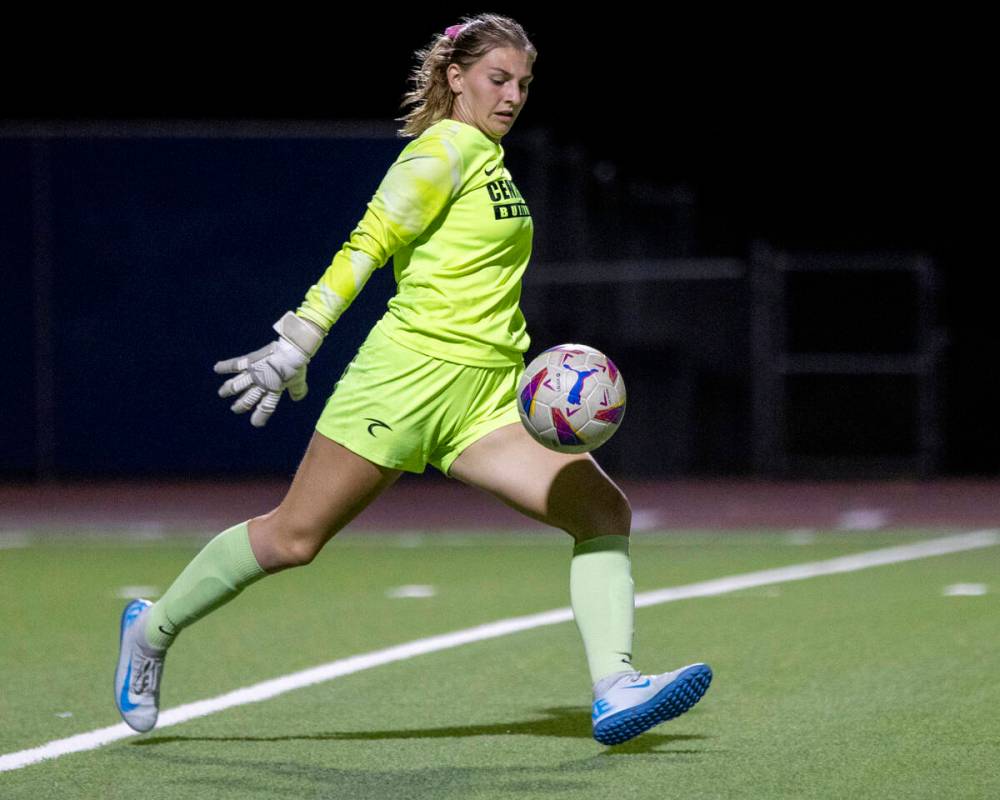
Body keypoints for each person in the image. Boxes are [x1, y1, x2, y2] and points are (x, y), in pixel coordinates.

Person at [113, 12, 712, 747]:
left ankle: (616, 688)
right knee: (293, 539)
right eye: (498, 79)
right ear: (456, 77)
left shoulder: (492, 161)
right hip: (403, 380)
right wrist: (299, 337)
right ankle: (152, 629)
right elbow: (369, 242)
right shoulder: (442, 152)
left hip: (486, 400)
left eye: (523, 83)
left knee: (602, 514)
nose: (513, 95)